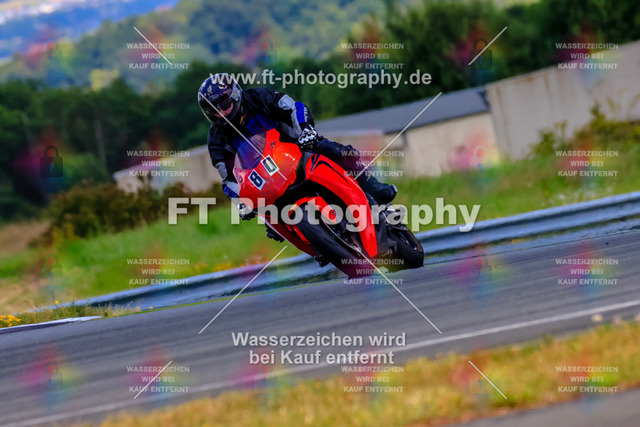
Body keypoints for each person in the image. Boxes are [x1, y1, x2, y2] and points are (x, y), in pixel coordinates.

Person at [198, 73, 397, 238]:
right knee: (271, 225)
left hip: (296, 147)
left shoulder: (260, 97)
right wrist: (241, 201)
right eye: (214, 111)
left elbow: (295, 107)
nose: (221, 114)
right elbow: (228, 179)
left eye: (224, 106)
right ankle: (317, 244)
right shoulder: (216, 139)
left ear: (236, 96)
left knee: (334, 151)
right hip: (265, 179)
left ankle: (372, 186)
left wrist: (306, 130)